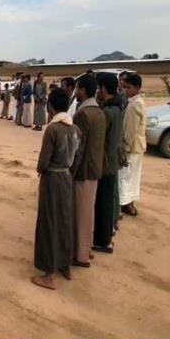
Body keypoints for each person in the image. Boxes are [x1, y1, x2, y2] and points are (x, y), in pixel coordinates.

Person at [32, 88, 81, 290]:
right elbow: (77, 159)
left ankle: (49, 273)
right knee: (65, 221)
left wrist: (40, 170)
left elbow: (44, 161)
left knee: (49, 222)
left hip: (52, 178)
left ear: (50, 106)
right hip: (67, 178)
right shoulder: (75, 129)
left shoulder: (53, 130)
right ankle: (64, 265)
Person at [72, 74, 106, 267]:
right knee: (88, 213)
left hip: (83, 171)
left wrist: (71, 172)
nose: (76, 93)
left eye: (77, 89)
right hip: (94, 169)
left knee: (81, 215)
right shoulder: (98, 111)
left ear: (83, 90)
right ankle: (87, 248)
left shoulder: (83, 114)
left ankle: (81, 255)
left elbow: (79, 148)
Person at [93, 73, 123, 253]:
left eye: (99, 88)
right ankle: (107, 235)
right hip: (112, 161)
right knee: (108, 199)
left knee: (103, 202)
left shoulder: (107, 112)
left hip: (104, 162)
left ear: (103, 89)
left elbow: (99, 139)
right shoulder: (118, 108)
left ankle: (102, 241)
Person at [119, 73, 146, 216]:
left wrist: (124, 148)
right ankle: (127, 203)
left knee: (127, 177)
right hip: (135, 147)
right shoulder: (135, 102)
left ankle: (126, 204)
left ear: (137, 87)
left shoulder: (135, 105)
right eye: (124, 87)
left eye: (128, 87)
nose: (126, 90)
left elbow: (130, 131)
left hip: (132, 148)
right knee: (130, 177)